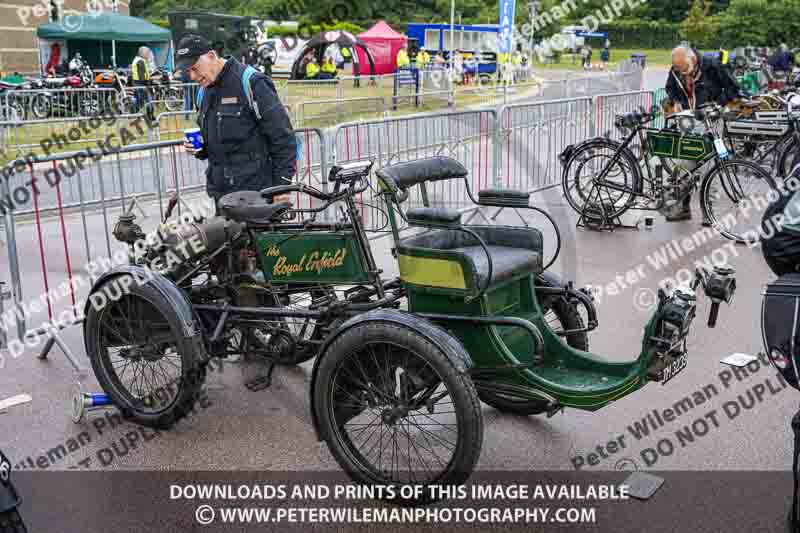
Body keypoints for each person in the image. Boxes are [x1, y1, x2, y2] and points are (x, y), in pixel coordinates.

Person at [177, 34, 296, 209]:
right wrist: (199, 148)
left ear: (211, 56)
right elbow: (214, 140)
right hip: (221, 197)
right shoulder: (203, 92)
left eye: (195, 69)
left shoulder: (251, 82)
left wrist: (282, 188)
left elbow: (283, 138)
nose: (193, 76)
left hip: (257, 197)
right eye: (188, 72)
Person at [663, 45, 742, 223]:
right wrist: (677, 102)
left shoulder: (714, 65)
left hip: (712, 121)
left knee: (714, 163)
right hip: (689, 122)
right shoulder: (676, 69)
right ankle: (683, 206)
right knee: (685, 164)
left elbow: (733, 90)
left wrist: (716, 104)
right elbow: (670, 88)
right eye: (678, 69)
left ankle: (708, 209)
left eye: (684, 69)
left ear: (693, 60)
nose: (682, 73)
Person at [131, 47, 151, 113]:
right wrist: (146, 83)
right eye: (147, 53)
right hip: (140, 83)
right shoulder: (140, 61)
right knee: (146, 100)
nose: (148, 54)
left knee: (140, 100)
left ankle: (135, 113)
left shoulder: (138, 59)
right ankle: (149, 115)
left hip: (137, 83)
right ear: (143, 53)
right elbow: (141, 75)